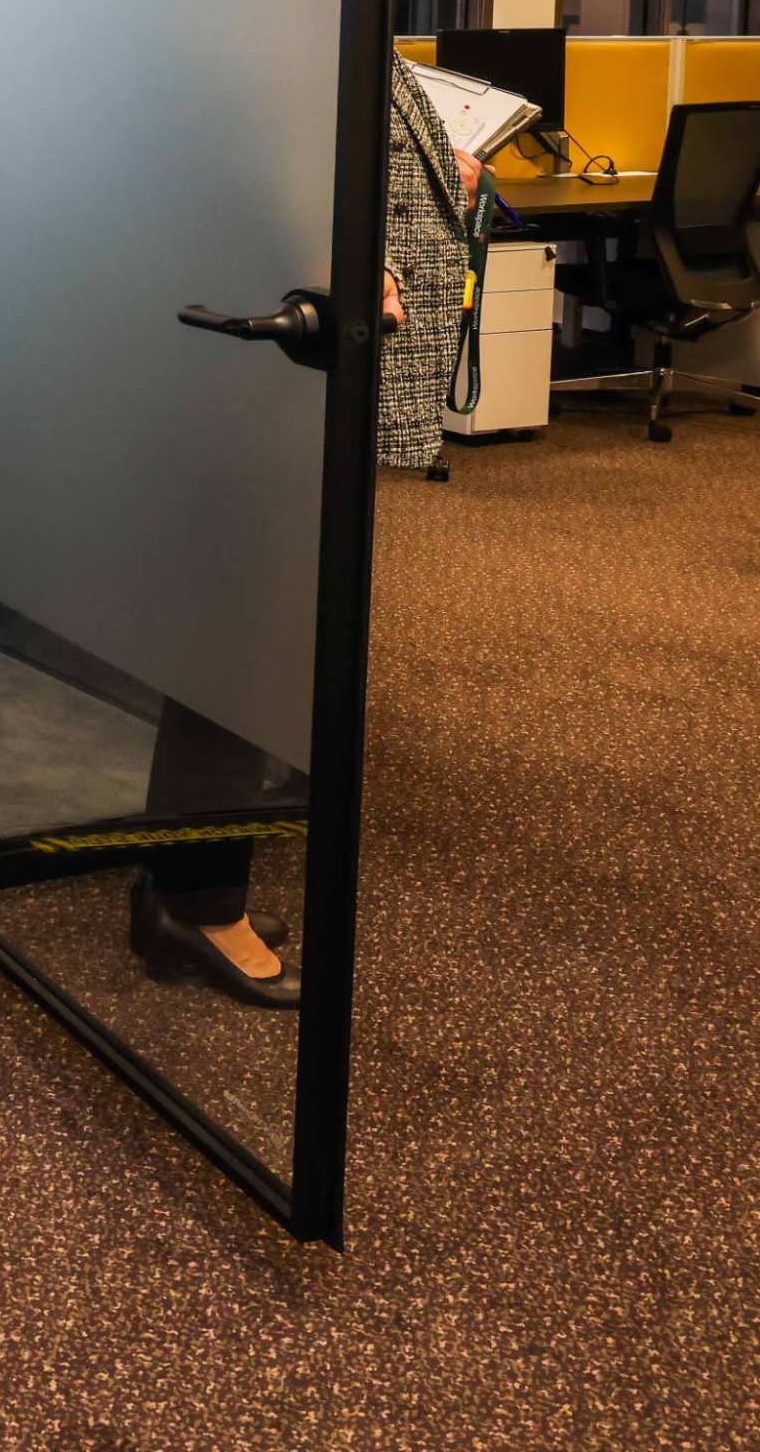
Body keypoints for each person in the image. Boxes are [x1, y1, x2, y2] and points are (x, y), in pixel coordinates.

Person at [135, 61, 479, 1007]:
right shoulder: (267, 34)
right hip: (275, 381)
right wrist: (355, 267)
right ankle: (198, 906)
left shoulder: (297, 13)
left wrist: (439, 177)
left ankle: (181, 877)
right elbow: (256, 190)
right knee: (240, 655)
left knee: (255, 645)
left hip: (298, 380)